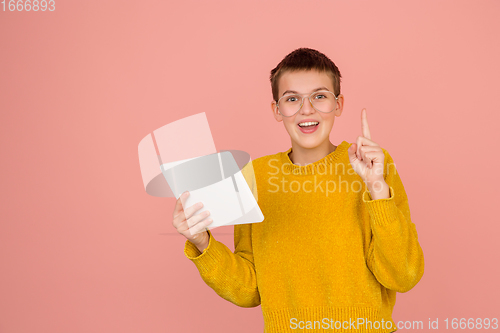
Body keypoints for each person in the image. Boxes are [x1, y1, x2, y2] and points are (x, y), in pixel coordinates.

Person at [171, 47, 424, 333]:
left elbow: (404, 275)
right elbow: (249, 290)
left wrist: (376, 187)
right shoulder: (255, 176)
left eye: (319, 96)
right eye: (292, 99)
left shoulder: (374, 165)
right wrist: (203, 242)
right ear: (277, 110)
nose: (307, 109)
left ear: (338, 105)